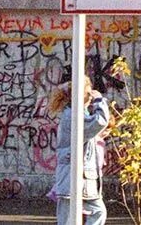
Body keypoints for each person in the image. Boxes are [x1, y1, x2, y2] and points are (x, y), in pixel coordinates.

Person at [50, 80, 110, 225]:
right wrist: (99, 101)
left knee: (96, 211)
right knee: (68, 218)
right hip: (73, 175)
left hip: (80, 176)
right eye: (88, 92)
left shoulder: (77, 112)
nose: (91, 95)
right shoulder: (73, 115)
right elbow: (99, 122)